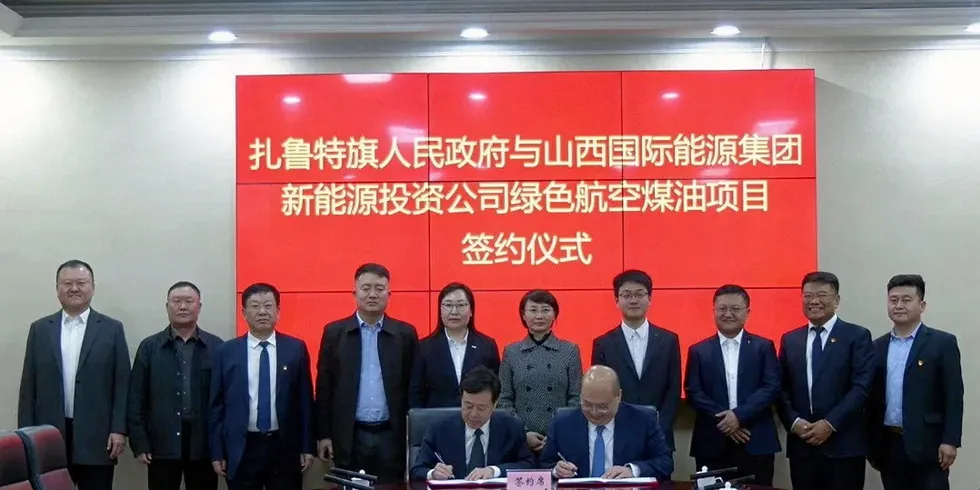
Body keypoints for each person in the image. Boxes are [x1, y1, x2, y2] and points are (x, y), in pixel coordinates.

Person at [18, 260, 130, 490]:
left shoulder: (112, 329)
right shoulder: (40, 329)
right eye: (67, 283)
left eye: (81, 282)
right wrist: (25, 435)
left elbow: (122, 384)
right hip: (49, 436)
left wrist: (119, 429)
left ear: (93, 287)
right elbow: (29, 387)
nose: (74, 288)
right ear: (57, 288)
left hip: (97, 436)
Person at [315, 263, 419, 484]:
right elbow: (324, 387)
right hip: (350, 436)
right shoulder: (335, 333)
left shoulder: (405, 334)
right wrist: (323, 434)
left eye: (379, 289)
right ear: (354, 293)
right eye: (366, 288)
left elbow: (414, 387)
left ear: (389, 294)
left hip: (392, 436)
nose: (372, 294)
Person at [208, 282, 315, 490]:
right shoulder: (225, 352)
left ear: (278, 311)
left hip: (284, 446)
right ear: (244, 313)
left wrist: (307, 446)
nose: (262, 312)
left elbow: (305, 403)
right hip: (242, 447)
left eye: (268, 305)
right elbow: (216, 407)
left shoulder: (295, 349)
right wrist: (217, 451)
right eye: (255, 306)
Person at [778, 271, 875, 490]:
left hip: (843, 445)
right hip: (802, 446)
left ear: (837, 300)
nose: (814, 301)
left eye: (822, 294)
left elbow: (861, 387)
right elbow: (781, 388)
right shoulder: (790, 339)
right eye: (807, 295)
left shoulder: (857, 336)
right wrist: (794, 422)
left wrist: (830, 424)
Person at [867, 274, 963, 490]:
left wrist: (950, 440)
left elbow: (954, 395)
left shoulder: (942, 343)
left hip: (929, 444)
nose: (899, 305)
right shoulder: (877, 346)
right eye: (893, 300)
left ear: (922, 305)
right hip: (888, 444)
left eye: (906, 300)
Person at [128, 281, 223, 490]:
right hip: (161, 443)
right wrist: (139, 442)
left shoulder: (217, 347)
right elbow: (136, 398)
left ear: (199, 306)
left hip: (203, 444)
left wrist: (221, 446)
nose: (182, 307)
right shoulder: (149, 347)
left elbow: (224, 401)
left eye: (189, 301)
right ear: (167, 306)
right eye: (176, 301)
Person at [684, 285, 781, 486]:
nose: (728, 314)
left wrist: (738, 416)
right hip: (711, 442)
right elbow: (693, 391)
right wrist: (727, 421)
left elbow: (771, 386)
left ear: (747, 312)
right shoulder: (698, 350)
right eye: (722, 309)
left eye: (735, 309)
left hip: (755, 439)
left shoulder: (764, 347)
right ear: (713, 311)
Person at [591, 269, 681, 451]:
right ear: (617, 300)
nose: (633, 300)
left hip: (660, 435)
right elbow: (601, 392)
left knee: (660, 480)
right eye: (627, 295)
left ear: (650, 299)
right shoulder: (603, 343)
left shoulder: (669, 340)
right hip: (616, 435)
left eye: (640, 294)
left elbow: (673, 390)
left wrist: (660, 427)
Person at [539, 365, 673, 481]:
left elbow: (665, 462)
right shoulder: (563, 422)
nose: (594, 412)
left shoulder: (643, 419)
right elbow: (545, 464)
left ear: (619, 397)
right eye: (587, 404)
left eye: (603, 406)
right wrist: (556, 471)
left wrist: (633, 470)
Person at [410, 366, 535, 481]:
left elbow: (528, 465)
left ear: (495, 404)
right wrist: (433, 473)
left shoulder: (511, 427)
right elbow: (417, 470)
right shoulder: (439, 428)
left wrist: (494, 471)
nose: (474, 414)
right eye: (468, 406)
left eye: (481, 407)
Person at [498, 289, 582, 456]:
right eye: (533, 310)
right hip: (521, 441)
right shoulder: (511, 352)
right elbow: (504, 399)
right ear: (523, 314)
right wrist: (523, 432)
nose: (539, 316)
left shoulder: (569, 350)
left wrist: (556, 432)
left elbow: (576, 398)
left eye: (545, 310)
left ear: (554, 314)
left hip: (560, 438)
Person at [410, 282, 500, 408]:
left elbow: (495, 388)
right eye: (448, 305)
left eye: (461, 305)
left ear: (471, 311)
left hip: (476, 418)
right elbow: (416, 392)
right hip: (437, 420)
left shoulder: (487, 345)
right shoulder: (424, 347)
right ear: (440, 310)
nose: (454, 311)